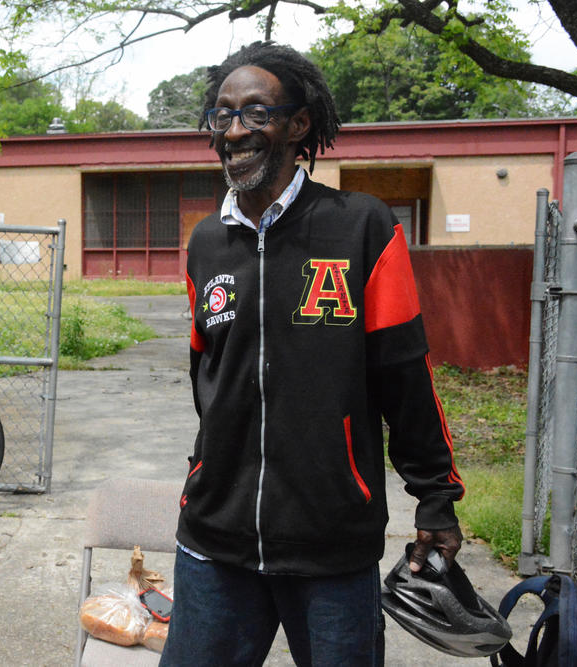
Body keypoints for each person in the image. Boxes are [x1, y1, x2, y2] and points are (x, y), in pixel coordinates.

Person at [160, 42, 465, 666]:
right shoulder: (206, 243)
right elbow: (207, 378)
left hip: (332, 545)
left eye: (255, 112)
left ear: (299, 125)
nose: (234, 130)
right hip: (215, 543)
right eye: (222, 115)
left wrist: (433, 495)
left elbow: (405, 375)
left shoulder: (363, 226)